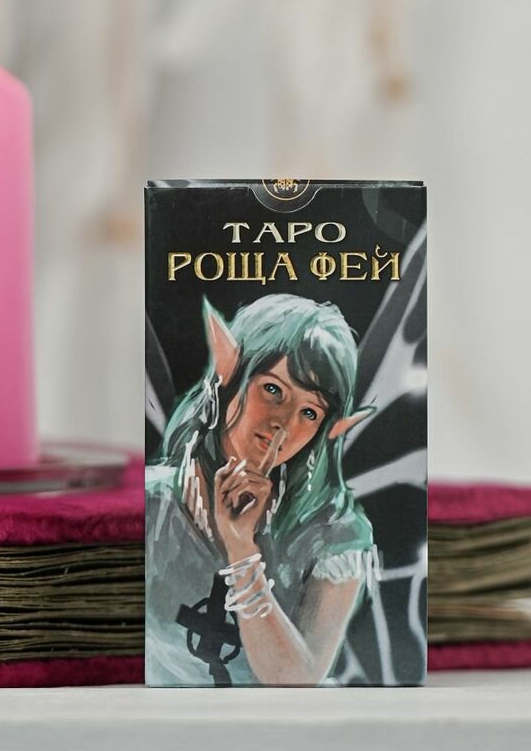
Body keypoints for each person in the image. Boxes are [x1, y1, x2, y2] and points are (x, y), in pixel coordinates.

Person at [146, 292, 377, 686]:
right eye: (272, 390)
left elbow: (297, 678)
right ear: (229, 374)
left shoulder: (336, 535)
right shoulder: (152, 504)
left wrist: (242, 548)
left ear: (326, 429)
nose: (283, 424)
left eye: (309, 412)